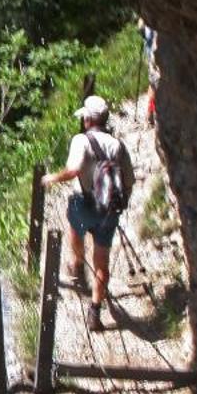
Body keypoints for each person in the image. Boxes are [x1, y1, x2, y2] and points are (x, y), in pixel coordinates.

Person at [39, 94, 135, 329]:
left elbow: (73, 171)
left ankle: (77, 265)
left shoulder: (80, 140)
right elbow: (129, 181)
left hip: (84, 203)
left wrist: (52, 178)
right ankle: (94, 312)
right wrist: (119, 206)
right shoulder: (118, 146)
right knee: (102, 262)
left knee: (75, 229)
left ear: (89, 120)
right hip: (109, 209)